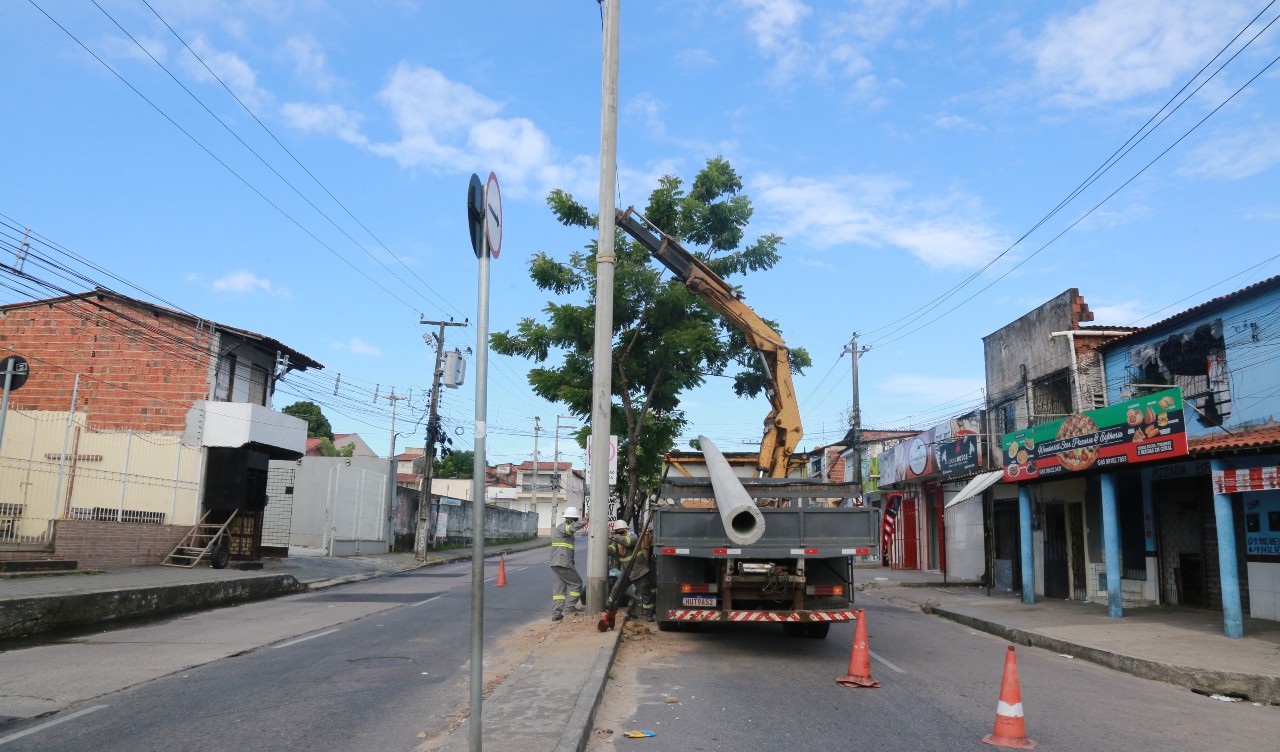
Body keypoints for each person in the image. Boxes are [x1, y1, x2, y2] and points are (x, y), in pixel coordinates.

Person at [608, 518, 656, 621]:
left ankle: (649, 614)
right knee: (616, 589)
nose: (619, 534)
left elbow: (627, 542)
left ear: (625, 531)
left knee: (645, 592)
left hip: (639, 571)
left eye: (620, 532)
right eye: (617, 532)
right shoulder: (616, 542)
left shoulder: (633, 537)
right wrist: (604, 544)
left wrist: (613, 537)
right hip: (627, 571)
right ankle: (610, 606)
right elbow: (611, 550)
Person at [550, 506, 588, 621]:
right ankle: (570, 608)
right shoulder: (563, 528)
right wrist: (583, 522)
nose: (576, 522)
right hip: (563, 563)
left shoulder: (564, 529)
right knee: (577, 583)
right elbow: (571, 528)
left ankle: (556, 614)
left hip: (557, 563)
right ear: (571, 519)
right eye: (575, 519)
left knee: (559, 590)